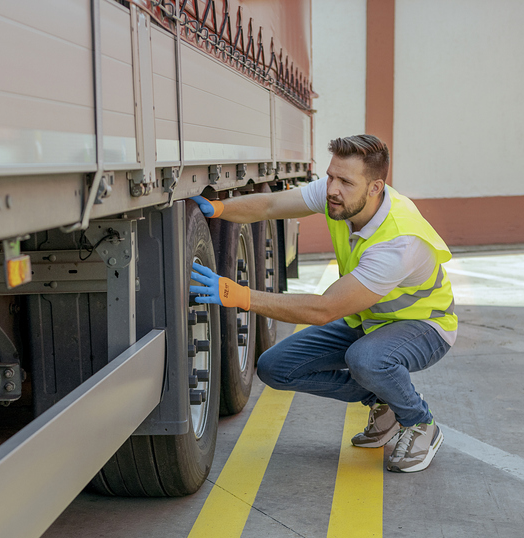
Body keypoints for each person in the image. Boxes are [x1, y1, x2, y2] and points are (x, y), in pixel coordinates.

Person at [189, 134, 456, 473]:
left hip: (425, 327)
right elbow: (271, 206)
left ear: (375, 187)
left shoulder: (399, 242)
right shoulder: (340, 197)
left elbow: (324, 309)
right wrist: (219, 209)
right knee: (275, 368)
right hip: (369, 321)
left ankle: (420, 422)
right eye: (331, 176)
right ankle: (383, 400)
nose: (332, 188)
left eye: (345, 181)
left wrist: (239, 295)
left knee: (365, 359)